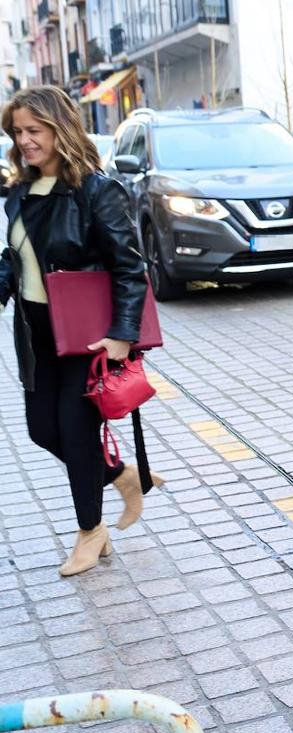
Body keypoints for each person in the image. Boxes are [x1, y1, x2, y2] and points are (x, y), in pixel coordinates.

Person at [0, 86, 163, 578]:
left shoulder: (97, 189)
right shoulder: (19, 192)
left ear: (59, 128)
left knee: (73, 432)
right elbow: (19, 260)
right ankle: (121, 474)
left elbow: (129, 267)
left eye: (34, 130)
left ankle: (91, 533)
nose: (24, 141)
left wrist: (122, 333)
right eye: (17, 132)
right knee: (40, 430)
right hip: (35, 334)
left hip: (87, 338)